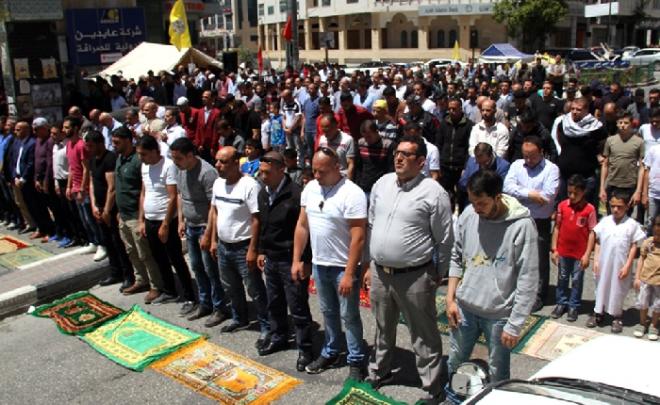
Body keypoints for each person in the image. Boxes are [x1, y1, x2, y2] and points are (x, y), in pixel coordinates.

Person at [363, 135, 453, 404]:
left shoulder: (434, 193)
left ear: (421, 161)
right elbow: (371, 225)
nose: (398, 158)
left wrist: (440, 273)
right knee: (382, 326)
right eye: (397, 153)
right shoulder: (382, 184)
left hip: (415, 276)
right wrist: (369, 264)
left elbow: (444, 239)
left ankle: (432, 386)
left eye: (406, 154)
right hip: (380, 272)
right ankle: (379, 371)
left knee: (423, 333)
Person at [446, 170, 538, 390]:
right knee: (456, 361)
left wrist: (514, 325)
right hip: (465, 307)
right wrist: (450, 299)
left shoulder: (522, 226)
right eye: (472, 202)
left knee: (498, 371)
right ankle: (455, 397)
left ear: (498, 197)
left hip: (498, 315)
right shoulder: (469, 215)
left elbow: (528, 278)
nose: (477, 209)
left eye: (482, 204)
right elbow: (456, 256)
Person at [292, 148, 368, 380]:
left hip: (342, 266)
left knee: (349, 315)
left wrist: (349, 273)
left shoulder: (352, 194)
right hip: (319, 263)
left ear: (337, 167)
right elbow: (302, 225)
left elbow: (358, 237)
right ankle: (331, 350)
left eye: (322, 171)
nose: (316, 175)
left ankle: (356, 359)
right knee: (328, 312)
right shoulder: (310, 188)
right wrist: (297, 259)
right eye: (314, 170)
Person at [203, 146, 270, 348]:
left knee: (255, 289)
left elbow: (257, 219)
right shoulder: (218, 184)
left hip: (243, 246)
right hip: (224, 246)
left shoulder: (249, 185)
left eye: (223, 162)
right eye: (217, 161)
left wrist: (253, 249)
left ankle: (267, 326)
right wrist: (213, 240)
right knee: (230, 286)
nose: (218, 165)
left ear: (235, 163)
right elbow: (214, 212)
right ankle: (239, 318)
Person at [256, 151, 314, 370]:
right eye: (261, 173)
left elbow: (306, 231)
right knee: (274, 302)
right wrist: (261, 250)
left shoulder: (296, 195)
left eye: (267, 173)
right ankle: (279, 336)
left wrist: (303, 261)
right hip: (271, 258)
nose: (263, 177)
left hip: (290, 259)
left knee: (297, 306)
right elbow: (263, 225)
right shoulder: (263, 193)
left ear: (281, 170)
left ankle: (305, 348)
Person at [169, 137, 231, 326]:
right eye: (173, 158)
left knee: (210, 269)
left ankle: (220, 307)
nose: (175, 162)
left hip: (205, 226)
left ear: (190, 155)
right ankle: (205, 303)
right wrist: (181, 220)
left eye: (179, 158)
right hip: (190, 225)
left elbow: (214, 206)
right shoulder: (180, 169)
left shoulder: (207, 172)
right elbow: (181, 195)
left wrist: (209, 234)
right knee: (196, 267)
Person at [137, 135, 196, 309]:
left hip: (166, 221)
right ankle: (170, 291)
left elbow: (172, 197)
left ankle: (189, 296)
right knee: (159, 258)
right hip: (150, 219)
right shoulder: (144, 166)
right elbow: (144, 192)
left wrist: (165, 224)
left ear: (154, 151)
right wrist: (141, 220)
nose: (141, 157)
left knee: (176, 258)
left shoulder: (169, 166)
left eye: (144, 154)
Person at [504, 136, 560, 311]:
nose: (528, 160)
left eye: (532, 156)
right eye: (525, 155)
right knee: (516, 256)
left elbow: (547, 195)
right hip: (517, 218)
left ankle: (539, 295)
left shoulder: (551, 169)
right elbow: (507, 188)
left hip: (539, 221)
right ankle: (517, 291)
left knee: (539, 259)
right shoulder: (517, 165)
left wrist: (521, 194)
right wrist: (531, 195)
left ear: (541, 152)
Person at [112, 126, 164, 301]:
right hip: (124, 215)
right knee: (131, 251)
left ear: (128, 140)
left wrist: (141, 218)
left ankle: (156, 285)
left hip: (136, 215)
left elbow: (144, 190)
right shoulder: (120, 159)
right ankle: (141, 280)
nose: (114, 146)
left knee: (145, 253)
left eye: (117, 142)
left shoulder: (138, 160)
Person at [587, 191, 646, 333]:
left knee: (618, 289)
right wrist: (596, 260)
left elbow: (633, 246)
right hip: (604, 263)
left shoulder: (632, 224)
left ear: (627, 207)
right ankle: (598, 312)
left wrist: (627, 266)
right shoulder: (605, 221)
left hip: (620, 265)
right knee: (601, 286)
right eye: (612, 206)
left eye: (619, 207)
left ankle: (617, 316)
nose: (615, 209)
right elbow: (598, 241)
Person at [85, 130, 134, 288]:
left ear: (100, 144)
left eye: (91, 146)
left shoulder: (110, 159)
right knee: (108, 243)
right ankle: (115, 272)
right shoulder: (93, 160)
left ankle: (128, 275)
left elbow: (111, 188)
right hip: (99, 208)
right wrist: (94, 205)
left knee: (118, 242)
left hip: (111, 209)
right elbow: (92, 183)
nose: (89, 149)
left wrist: (106, 210)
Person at [550, 174, 597, 322]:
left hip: (579, 253)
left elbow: (592, 232)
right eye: (569, 192)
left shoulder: (589, 210)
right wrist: (554, 249)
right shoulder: (562, 206)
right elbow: (557, 227)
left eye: (576, 193)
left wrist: (587, 254)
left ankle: (573, 305)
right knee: (562, 278)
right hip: (563, 251)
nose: (572, 196)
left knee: (577, 280)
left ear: (583, 192)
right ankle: (561, 303)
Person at [63, 117, 104, 258]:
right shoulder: (69, 145)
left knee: (91, 219)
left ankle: (102, 244)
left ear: (75, 128)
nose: (64, 130)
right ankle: (93, 242)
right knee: (84, 219)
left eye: (67, 127)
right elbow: (71, 167)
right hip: (75, 187)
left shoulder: (82, 145)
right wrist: (69, 187)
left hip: (84, 189)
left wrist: (82, 189)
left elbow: (86, 169)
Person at [599, 111, 645, 215]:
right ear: (616, 124)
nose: (623, 125)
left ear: (631, 124)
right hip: (612, 184)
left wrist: (638, 191)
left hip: (629, 185)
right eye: (620, 123)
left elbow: (642, 167)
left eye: (626, 123)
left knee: (626, 216)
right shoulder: (610, 141)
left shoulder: (639, 142)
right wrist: (602, 188)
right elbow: (605, 165)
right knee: (612, 215)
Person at [437, 97, 473, 210]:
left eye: (454, 109)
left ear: (460, 109)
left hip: (460, 167)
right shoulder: (444, 123)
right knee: (444, 195)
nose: (451, 111)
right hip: (445, 166)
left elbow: (469, 148)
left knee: (461, 195)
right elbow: (439, 144)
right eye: (450, 109)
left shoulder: (469, 125)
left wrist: (465, 167)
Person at [457, 143, 510, 213]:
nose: (482, 166)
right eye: (479, 163)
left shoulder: (503, 166)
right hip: (471, 203)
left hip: (490, 205)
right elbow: (462, 183)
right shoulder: (471, 161)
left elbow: (500, 189)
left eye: (485, 162)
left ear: (491, 156)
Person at [633, 214, 660, 340]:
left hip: (659, 282)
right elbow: (641, 260)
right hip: (645, 279)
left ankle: (654, 325)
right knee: (643, 302)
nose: (657, 235)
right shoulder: (648, 243)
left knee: (658, 305)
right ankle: (642, 323)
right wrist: (637, 277)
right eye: (656, 232)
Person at [354, 120, 394, 197]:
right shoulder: (361, 143)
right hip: (363, 187)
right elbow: (358, 166)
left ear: (376, 132)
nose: (366, 139)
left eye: (369, 136)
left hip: (381, 189)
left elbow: (391, 169)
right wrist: (358, 183)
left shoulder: (388, 145)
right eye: (364, 136)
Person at [317, 114, 356, 179]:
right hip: (325, 177)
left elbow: (351, 164)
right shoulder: (322, 139)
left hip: (342, 177)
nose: (325, 134)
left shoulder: (347, 140)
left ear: (335, 126)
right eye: (323, 131)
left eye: (327, 131)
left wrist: (348, 182)